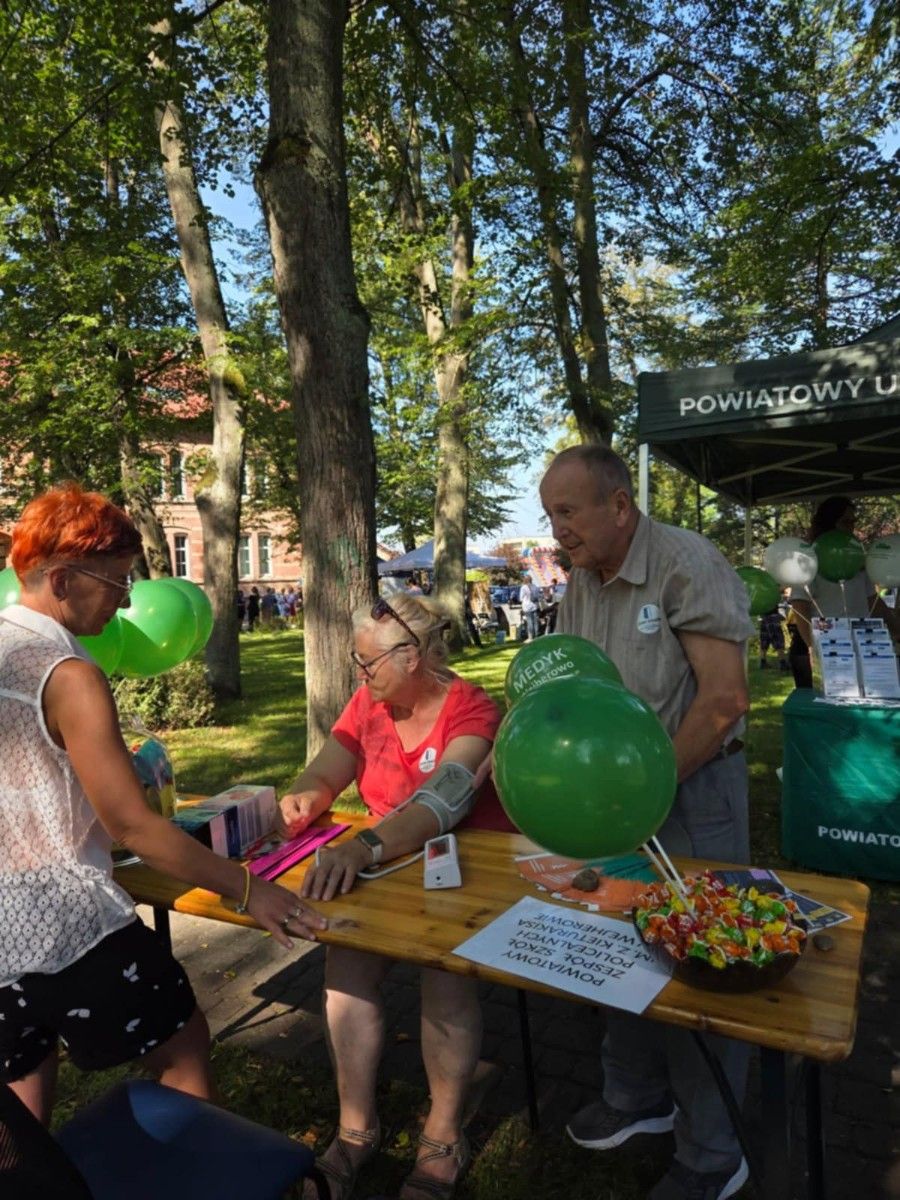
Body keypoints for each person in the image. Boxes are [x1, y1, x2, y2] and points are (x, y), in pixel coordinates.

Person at [0, 484, 325, 1126]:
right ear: (62, 579)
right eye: (117, 580)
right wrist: (248, 889)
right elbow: (133, 825)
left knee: (21, 1087)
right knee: (184, 1052)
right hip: (67, 924)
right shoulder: (69, 675)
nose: (127, 598)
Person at [539, 446, 753, 1200]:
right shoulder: (580, 582)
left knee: (700, 966)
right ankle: (636, 1098)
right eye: (550, 515)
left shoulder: (687, 562)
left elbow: (725, 702)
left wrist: (647, 788)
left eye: (569, 512)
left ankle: (714, 1150)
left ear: (620, 505)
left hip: (693, 792)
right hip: (612, 800)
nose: (557, 529)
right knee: (616, 939)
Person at [278, 593, 510, 1200]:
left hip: (463, 868)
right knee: (345, 965)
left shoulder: (473, 711)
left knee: (446, 975)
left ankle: (442, 1137)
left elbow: (443, 803)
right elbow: (326, 768)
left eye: (367, 664)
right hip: (387, 866)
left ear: (413, 657)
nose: (359, 675)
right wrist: (304, 794)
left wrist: (364, 847)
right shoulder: (369, 702)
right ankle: (356, 1128)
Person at [789, 495, 899, 688]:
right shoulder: (810, 559)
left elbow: (872, 600)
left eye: (853, 522)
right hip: (824, 645)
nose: (851, 527)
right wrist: (812, 648)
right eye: (845, 521)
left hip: (860, 644)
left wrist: (896, 629)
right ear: (829, 523)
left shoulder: (856, 558)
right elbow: (800, 606)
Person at [758, 605, 789, 671]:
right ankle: (782, 663)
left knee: (764, 640)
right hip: (772, 616)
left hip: (764, 616)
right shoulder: (772, 595)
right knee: (778, 639)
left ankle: (763, 662)